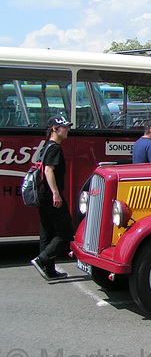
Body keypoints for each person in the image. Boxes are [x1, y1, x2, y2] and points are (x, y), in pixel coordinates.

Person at [30, 115, 75, 281]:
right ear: (55, 129)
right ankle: (42, 261)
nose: (68, 130)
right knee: (66, 232)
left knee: (47, 233)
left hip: (42, 195)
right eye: (64, 127)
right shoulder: (55, 148)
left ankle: (48, 270)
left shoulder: (46, 147)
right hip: (51, 195)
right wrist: (56, 193)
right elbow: (49, 171)